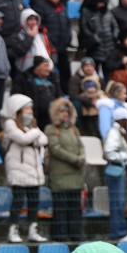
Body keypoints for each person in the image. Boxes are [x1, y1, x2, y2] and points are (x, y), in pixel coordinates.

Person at [1, 92, 49, 243]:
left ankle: (32, 230)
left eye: (31, 109)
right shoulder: (10, 124)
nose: (30, 112)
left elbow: (44, 139)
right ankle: (13, 230)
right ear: (18, 109)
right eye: (27, 108)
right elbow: (22, 139)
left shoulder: (31, 125)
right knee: (18, 201)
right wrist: (35, 134)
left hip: (34, 171)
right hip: (18, 170)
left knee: (34, 202)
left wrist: (32, 135)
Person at [44, 98, 85, 243]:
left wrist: (82, 157)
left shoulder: (74, 129)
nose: (65, 114)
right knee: (60, 208)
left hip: (76, 176)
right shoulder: (51, 129)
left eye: (67, 111)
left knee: (75, 208)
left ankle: (75, 236)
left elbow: (81, 146)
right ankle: (60, 237)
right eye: (62, 111)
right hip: (60, 176)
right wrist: (74, 159)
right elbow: (55, 149)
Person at [103, 106, 127, 243]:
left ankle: (119, 231)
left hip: (120, 170)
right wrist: (126, 157)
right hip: (116, 171)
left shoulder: (120, 132)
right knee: (117, 202)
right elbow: (109, 152)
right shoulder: (114, 132)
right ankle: (119, 232)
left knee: (120, 202)